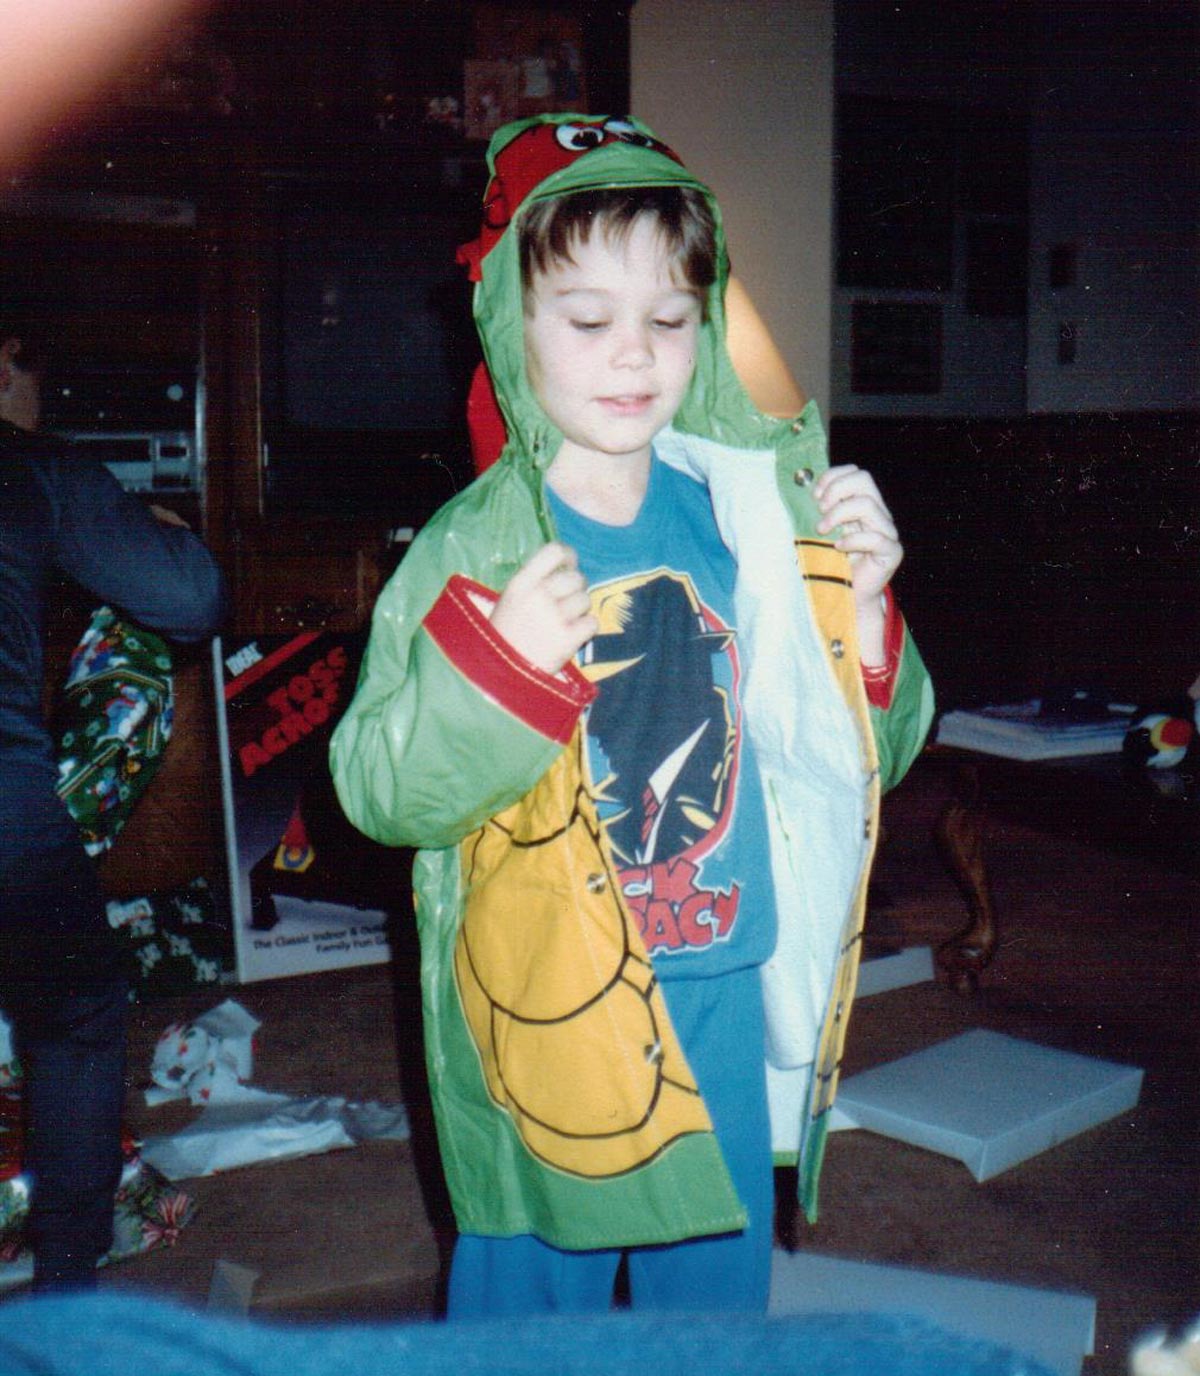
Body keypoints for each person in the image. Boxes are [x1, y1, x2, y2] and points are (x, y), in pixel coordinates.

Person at [330, 114, 934, 1318]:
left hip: (722, 965)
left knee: (710, 1294)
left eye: (668, 319)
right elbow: (376, 788)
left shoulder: (750, 514)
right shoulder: (476, 545)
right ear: (514, 321)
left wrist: (859, 620)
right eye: (589, 319)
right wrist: (499, 667)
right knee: (526, 1290)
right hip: (552, 988)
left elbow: (872, 755)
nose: (634, 357)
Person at [0, 311, 227, 1290]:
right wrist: (163, 534)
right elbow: (190, 602)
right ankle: (64, 1297)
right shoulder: (24, 463)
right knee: (78, 1007)